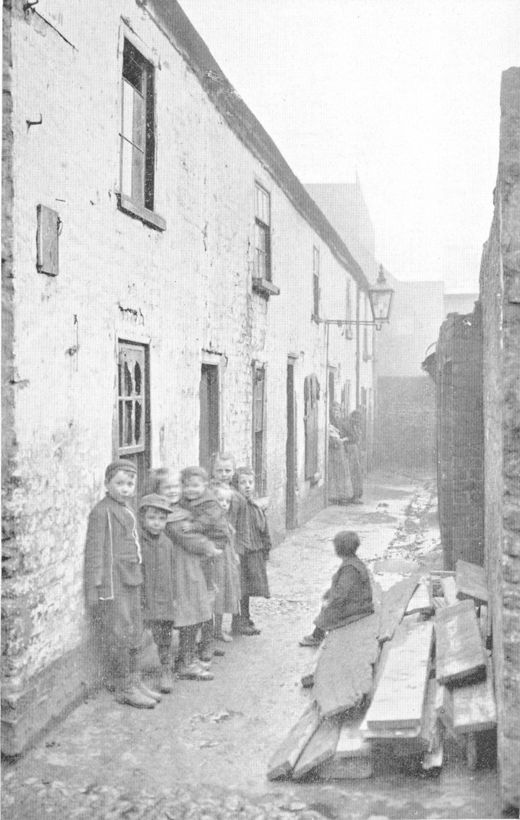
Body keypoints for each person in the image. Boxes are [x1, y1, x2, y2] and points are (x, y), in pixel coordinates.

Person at [84, 459, 159, 708]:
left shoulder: (127, 508)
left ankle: (134, 680)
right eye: (119, 483)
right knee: (119, 631)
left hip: (130, 578)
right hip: (114, 582)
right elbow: (95, 553)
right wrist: (96, 587)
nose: (125, 488)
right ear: (107, 484)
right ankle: (124, 686)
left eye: (129, 483)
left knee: (134, 628)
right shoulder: (101, 512)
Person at [164, 469, 220, 681]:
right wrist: (208, 546)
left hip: (191, 566)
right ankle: (184, 662)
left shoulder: (180, 509)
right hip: (181, 568)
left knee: (196, 609)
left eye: (175, 487)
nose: (173, 491)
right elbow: (187, 538)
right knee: (189, 612)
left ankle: (188, 657)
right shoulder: (170, 515)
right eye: (166, 488)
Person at [179, 466, 229, 662]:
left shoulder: (209, 502)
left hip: (214, 545)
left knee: (207, 595)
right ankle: (201, 643)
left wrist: (192, 526)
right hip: (202, 548)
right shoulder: (186, 501)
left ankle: (207, 642)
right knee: (201, 597)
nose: (191, 490)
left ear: (205, 486)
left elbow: (209, 521)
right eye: (187, 486)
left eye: (196, 486)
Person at [299, 530, 374, 646]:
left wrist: (329, 602)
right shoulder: (353, 562)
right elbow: (342, 586)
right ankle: (319, 632)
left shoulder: (350, 568)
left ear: (339, 549)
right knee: (329, 605)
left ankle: (317, 636)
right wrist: (329, 593)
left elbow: (341, 594)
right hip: (359, 601)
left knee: (329, 609)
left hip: (360, 606)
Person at [138, 493, 177, 694]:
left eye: (162, 519)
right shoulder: (138, 542)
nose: (156, 523)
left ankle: (166, 670)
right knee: (138, 635)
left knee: (164, 635)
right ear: (142, 519)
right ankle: (133, 676)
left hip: (163, 598)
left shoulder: (167, 543)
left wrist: (174, 596)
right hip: (143, 598)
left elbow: (172, 571)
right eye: (152, 518)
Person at [232, 466, 272, 635]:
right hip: (241, 552)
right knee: (240, 587)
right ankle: (238, 621)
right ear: (236, 485)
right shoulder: (236, 505)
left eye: (250, 482)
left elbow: (263, 527)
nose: (247, 486)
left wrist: (266, 547)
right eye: (242, 483)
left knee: (249, 587)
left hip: (254, 551)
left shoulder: (255, 505)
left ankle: (246, 617)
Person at [209, 482, 241, 641]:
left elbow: (230, 539)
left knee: (223, 594)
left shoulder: (225, 519)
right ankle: (211, 631)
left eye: (227, 501)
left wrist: (234, 554)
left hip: (226, 561)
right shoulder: (210, 520)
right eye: (220, 500)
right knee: (215, 595)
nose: (224, 504)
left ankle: (218, 629)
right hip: (216, 562)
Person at [328, 402, 353, 505]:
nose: (336, 413)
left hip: (341, 450)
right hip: (333, 450)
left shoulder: (342, 423)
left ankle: (344, 496)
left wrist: (344, 439)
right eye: (334, 411)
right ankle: (335, 496)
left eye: (337, 411)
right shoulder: (329, 422)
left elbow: (350, 435)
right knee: (334, 474)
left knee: (342, 473)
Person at [345, 410, 364, 503]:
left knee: (357, 472)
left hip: (355, 450)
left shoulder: (356, 427)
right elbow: (351, 438)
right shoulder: (348, 426)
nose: (357, 422)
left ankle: (357, 494)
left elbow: (357, 438)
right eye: (356, 420)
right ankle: (354, 496)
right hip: (351, 450)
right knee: (353, 472)